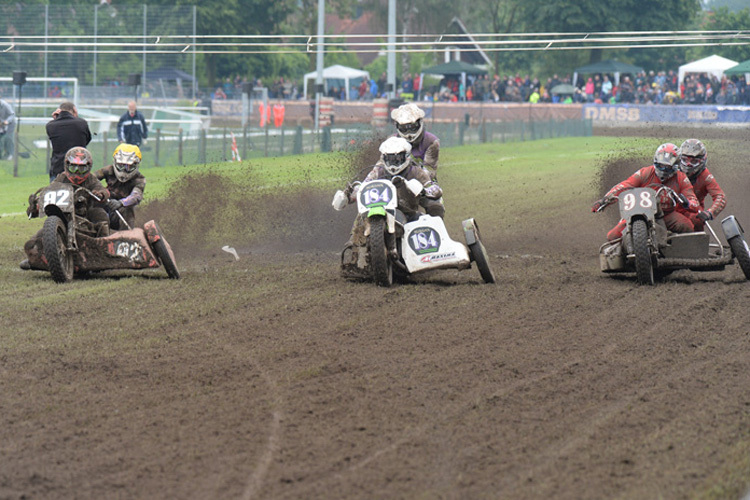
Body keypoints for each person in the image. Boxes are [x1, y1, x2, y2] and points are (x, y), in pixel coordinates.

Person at [336, 137, 444, 277]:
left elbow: (433, 187)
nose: (393, 162)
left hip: (409, 213)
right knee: (361, 216)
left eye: (397, 158)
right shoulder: (378, 171)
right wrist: (351, 193)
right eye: (390, 158)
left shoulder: (416, 171)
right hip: (383, 210)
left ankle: (437, 249)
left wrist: (427, 190)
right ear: (384, 158)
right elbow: (365, 184)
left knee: (430, 217)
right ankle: (354, 246)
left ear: (405, 157)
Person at [21, 147, 110, 270]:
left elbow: (103, 190)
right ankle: (35, 259)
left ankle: (104, 253)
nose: (77, 172)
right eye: (73, 167)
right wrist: (35, 207)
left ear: (88, 168)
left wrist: (100, 194)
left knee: (101, 214)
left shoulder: (91, 179)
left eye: (82, 168)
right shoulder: (61, 178)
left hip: (86, 216)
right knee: (36, 240)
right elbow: (48, 193)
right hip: (63, 217)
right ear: (67, 166)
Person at [592, 143, 699, 241]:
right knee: (613, 236)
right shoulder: (645, 173)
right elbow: (624, 186)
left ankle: (681, 255)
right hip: (638, 213)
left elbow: (693, 201)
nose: (663, 170)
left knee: (687, 225)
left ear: (676, 167)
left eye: (668, 168)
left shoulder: (681, 178)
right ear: (655, 162)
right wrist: (604, 200)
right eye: (660, 166)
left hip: (666, 215)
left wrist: (688, 203)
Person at [676, 139, 726, 232]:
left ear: (702, 161)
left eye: (694, 161)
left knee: (698, 220)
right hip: (670, 208)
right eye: (684, 160)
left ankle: (696, 244)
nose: (688, 165)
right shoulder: (672, 170)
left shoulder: (705, 176)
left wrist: (709, 213)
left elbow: (720, 196)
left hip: (692, 211)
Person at [94, 143, 146, 230]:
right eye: (121, 166)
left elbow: (136, 196)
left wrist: (121, 203)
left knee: (128, 210)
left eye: (129, 167)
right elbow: (91, 178)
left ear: (136, 166)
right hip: (105, 202)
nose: (124, 170)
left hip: (121, 211)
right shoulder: (108, 170)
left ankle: (126, 238)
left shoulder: (139, 179)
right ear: (115, 162)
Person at [390, 102, 440, 180]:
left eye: (413, 127)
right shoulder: (392, 141)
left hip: (423, 181)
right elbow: (380, 167)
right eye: (404, 128)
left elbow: (430, 170)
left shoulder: (431, 141)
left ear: (420, 123)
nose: (409, 132)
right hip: (395, 180)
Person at [45, 102, 92, 182]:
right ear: (74, 110)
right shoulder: (82, 123)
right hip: (80, 169)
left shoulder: (50, 126)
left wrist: (56, 119)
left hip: (58, 169)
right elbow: (87, 140)